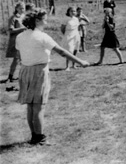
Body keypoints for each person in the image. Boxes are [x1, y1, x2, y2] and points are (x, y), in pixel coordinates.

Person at [15, 8, 90, 145]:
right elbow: (61, 51)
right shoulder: (42, 36)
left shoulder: (20, 36)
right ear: (37, 20)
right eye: (44, 18)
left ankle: (34, 136)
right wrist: (80, 61)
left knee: (31, 106)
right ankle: (40, 138)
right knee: (38, 106)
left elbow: (20, 54)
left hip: (25, 71)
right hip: (39, 71)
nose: (46, 21)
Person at [2, 2, 26, 84]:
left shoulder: (24, 17)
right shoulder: (13, 18)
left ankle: (23, 75)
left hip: (24, 39)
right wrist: (22, 29)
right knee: (16, 59)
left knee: (24, 58)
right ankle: (10, 76)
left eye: (23, 8)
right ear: (16, 9)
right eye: (20, 8)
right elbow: (10, 30)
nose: (22, 10)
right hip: (16, 40)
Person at [61, 7, 81, 71]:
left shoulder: (76, 19)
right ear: (68, 12)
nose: (73, 12)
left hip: (76, 35)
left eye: (74, 11)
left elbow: (77, 28)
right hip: (69, 35)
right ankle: (67, 66)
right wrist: (66, 34)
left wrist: (77, 35)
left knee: (75, 50)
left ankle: (74, 64)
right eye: (71, 11)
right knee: (69, 50)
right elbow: (62, 28)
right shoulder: (66, 19)